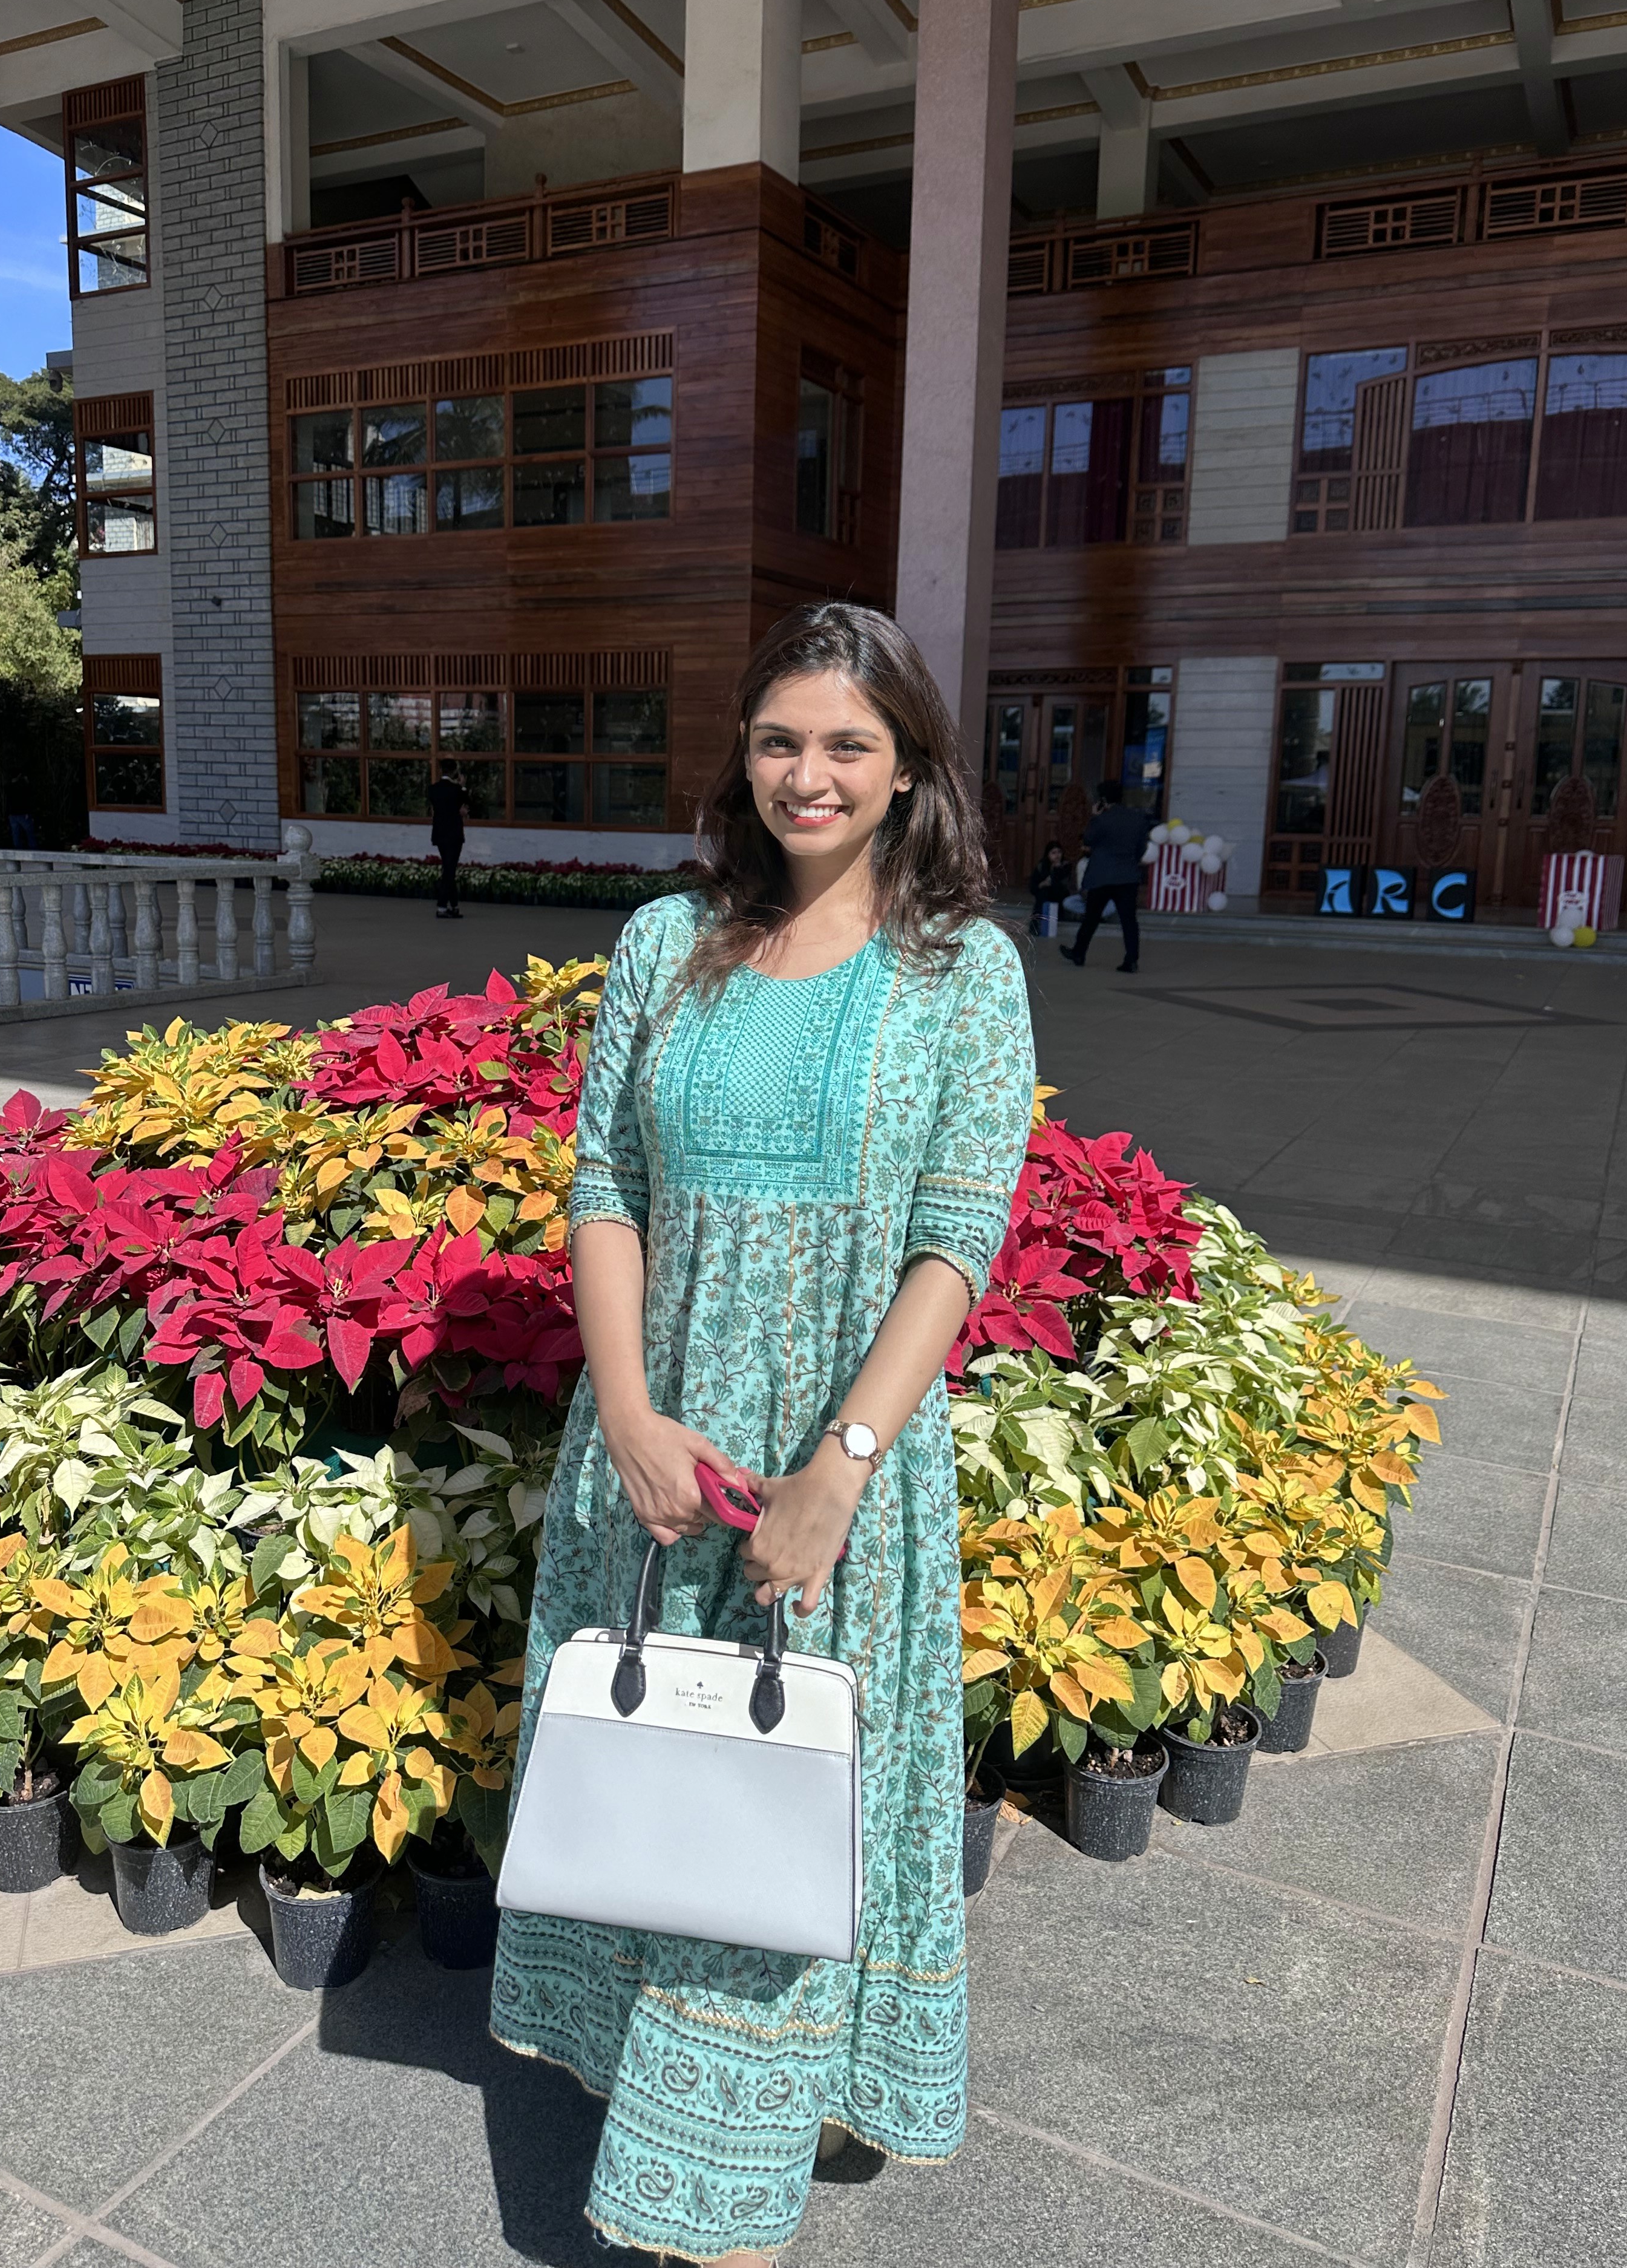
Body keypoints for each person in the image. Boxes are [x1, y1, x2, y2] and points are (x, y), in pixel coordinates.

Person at [489, 602, 1038, 2267]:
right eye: (782, 740)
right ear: (745, 757)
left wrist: (840, 1472)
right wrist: (636, 1419)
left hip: (836, 1466)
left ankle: (715, 2192)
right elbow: (607, 1189)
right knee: (668, 1777)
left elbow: (961, 1234)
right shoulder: (668, 943)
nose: (812, 774)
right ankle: (655, 2094)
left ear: (907, 770)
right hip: (657, 1462)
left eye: (849, 746)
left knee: (783, 1800)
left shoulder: (965, 972)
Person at [1060, 777, 1152, 972]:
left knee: (1092, 917)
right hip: (1127, 876)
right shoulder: (1137, 819)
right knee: (1129, 920)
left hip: (1102, 876)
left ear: (1102, 799)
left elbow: (1089, 840)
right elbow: (1141, 848)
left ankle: (1079, 952)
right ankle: (1132, 959)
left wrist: (1094, 816)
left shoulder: (1101, 820)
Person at [428, 756, 466, 918]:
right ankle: (442, 907)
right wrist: (463, 787)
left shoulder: (433, 789)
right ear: (455, 771)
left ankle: (455, 905)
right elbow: (466, 802)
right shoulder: (457, 790)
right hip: (454, 834)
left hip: (440, 834)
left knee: (449, 868)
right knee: (450, 870)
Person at [1027, 839, 1073, 935]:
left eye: (1059, 852)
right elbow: (1033, 887)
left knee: (1050, 891)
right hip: (1045, 895)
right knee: (1043, 893)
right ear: (1048, 855)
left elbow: (1063, 885)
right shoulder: (1042, 866)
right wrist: (1042, 884)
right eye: (1054, 853)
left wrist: (1056, 870)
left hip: (1061, 896)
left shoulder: (1066, 866)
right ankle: (1036, 925)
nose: (1057, 856)